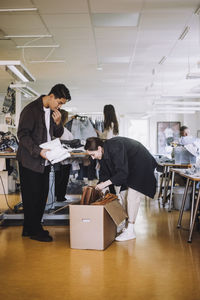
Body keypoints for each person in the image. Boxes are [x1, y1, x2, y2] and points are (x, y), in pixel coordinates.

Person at [17, 84, 71, 242]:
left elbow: (57, 134)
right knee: (32, 196)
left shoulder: (54, 112)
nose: (59, 106)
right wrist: (38, 151)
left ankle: (29, 229)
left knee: (41, 195)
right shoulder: (31, 110)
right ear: (51, 96)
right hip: (30, 160)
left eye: (62, 104)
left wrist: (59, 122)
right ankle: (35, 231)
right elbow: (23, 135)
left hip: (45, 160)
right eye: (59, 102)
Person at [84, 136, 158, 242]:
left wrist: (105, 184)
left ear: (99, 148)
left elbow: (122, 173)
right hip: (129, 165)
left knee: (132, 195)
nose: (92, 158)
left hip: (141, 162)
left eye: (92, 154)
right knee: (123, 194)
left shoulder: (115, 147)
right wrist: (100, 185)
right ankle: (124, 223)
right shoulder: (103, 154)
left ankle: (131, 230)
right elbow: (105, 174)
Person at [55, 109, 73, 202]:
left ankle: (58, 196)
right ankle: (60, 197)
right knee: (62, 179)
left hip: (58, 159)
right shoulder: (63, 131)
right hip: (63, 159)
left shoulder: (57, 129)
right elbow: (67, 143)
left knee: (58, 178)